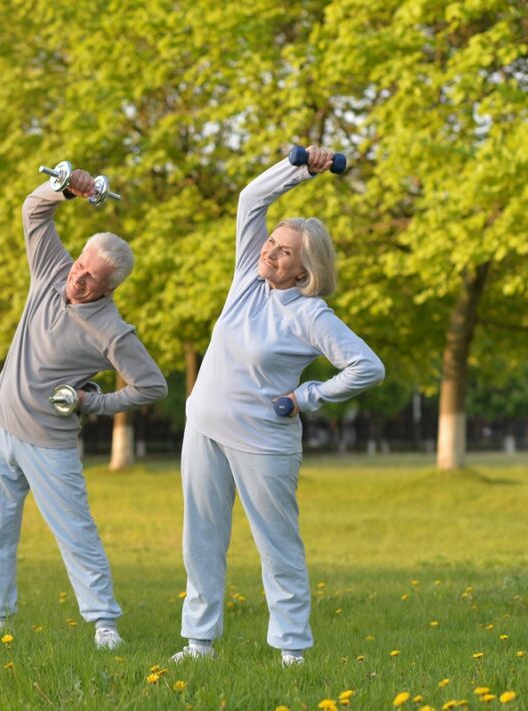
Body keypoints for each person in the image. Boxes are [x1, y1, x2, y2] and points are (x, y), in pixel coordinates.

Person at [171, 146, 385, 666]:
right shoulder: (248, 278)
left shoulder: (310, 315)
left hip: (263, 441)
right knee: (201, 539)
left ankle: (291, 649)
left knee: (277, 547)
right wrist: (298, 170)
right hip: (203, 427)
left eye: (286, 251)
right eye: (272, 242)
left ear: (303, 269)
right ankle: (199, 643)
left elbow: (367, 367)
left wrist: (306, 396)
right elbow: (250, 198)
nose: (271, 251)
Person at [0, 167, 168, 651]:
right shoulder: (50, 271)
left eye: (91, 280)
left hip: (49, 443)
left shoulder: (111, 331)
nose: (78, 280)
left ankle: (105, 624)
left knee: (75, 535)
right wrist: (67, 187)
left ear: (109, 290)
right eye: (80, 267)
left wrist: (93, 402)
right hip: (0, 424)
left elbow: (151, 386)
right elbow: (33, 209)